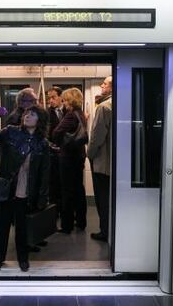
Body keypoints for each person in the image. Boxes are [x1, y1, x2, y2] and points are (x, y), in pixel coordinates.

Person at [0, 105, 50, 273]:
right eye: (27, 113)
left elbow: (44, 173)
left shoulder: (42, 143)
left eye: (33, 114)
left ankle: (23, 259)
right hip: (7, 189)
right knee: (2, 226)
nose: (28, 115)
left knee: (22, 228)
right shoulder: (11, 132)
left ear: (39, 120)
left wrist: (42, 197)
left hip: (26, 192)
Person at [52, 88, 88, 234]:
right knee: (79, 189)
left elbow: (56, 132)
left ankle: (67, 225)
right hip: (79, 155)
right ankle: (81, 221)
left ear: (71, 101)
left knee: (66, 190)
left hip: (68, 156)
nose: (65, 103)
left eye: (66, 100)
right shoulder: (81, 114)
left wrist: (59, 143)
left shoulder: (71, 115)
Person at [87, 76, 112, 242]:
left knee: (102, 199)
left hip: (103, 161)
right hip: (116, 162)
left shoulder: (104, 107)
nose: (102, 85)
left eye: (105, 83)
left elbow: (97, 136)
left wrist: (89, 153)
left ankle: (105, 231)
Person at [47, 87, 66, 214]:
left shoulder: (69, 111)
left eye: (53, 97)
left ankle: (66, 211)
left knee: (65, 184)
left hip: (66, 153)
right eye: (49, 98)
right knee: (53, 184)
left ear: (61, 97)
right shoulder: (47, 113)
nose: (51, 100)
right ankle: (55, 212)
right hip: (53, 153)